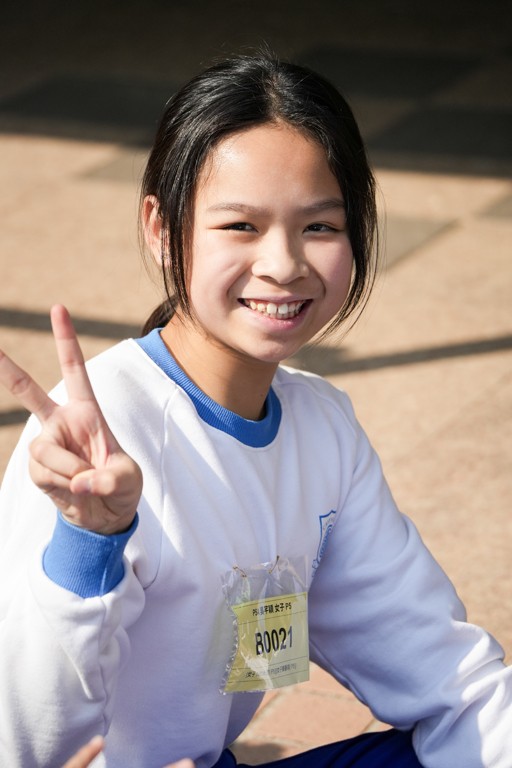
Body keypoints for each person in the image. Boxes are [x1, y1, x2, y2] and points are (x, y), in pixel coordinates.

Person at [0, 52, 510, 768]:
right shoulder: (89, 442)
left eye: (320, 226)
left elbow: (442, 670)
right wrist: (91, 540)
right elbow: (24, 743)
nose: (284, 264)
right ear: (160, 228)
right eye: (240, 225)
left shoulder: (322, 425)